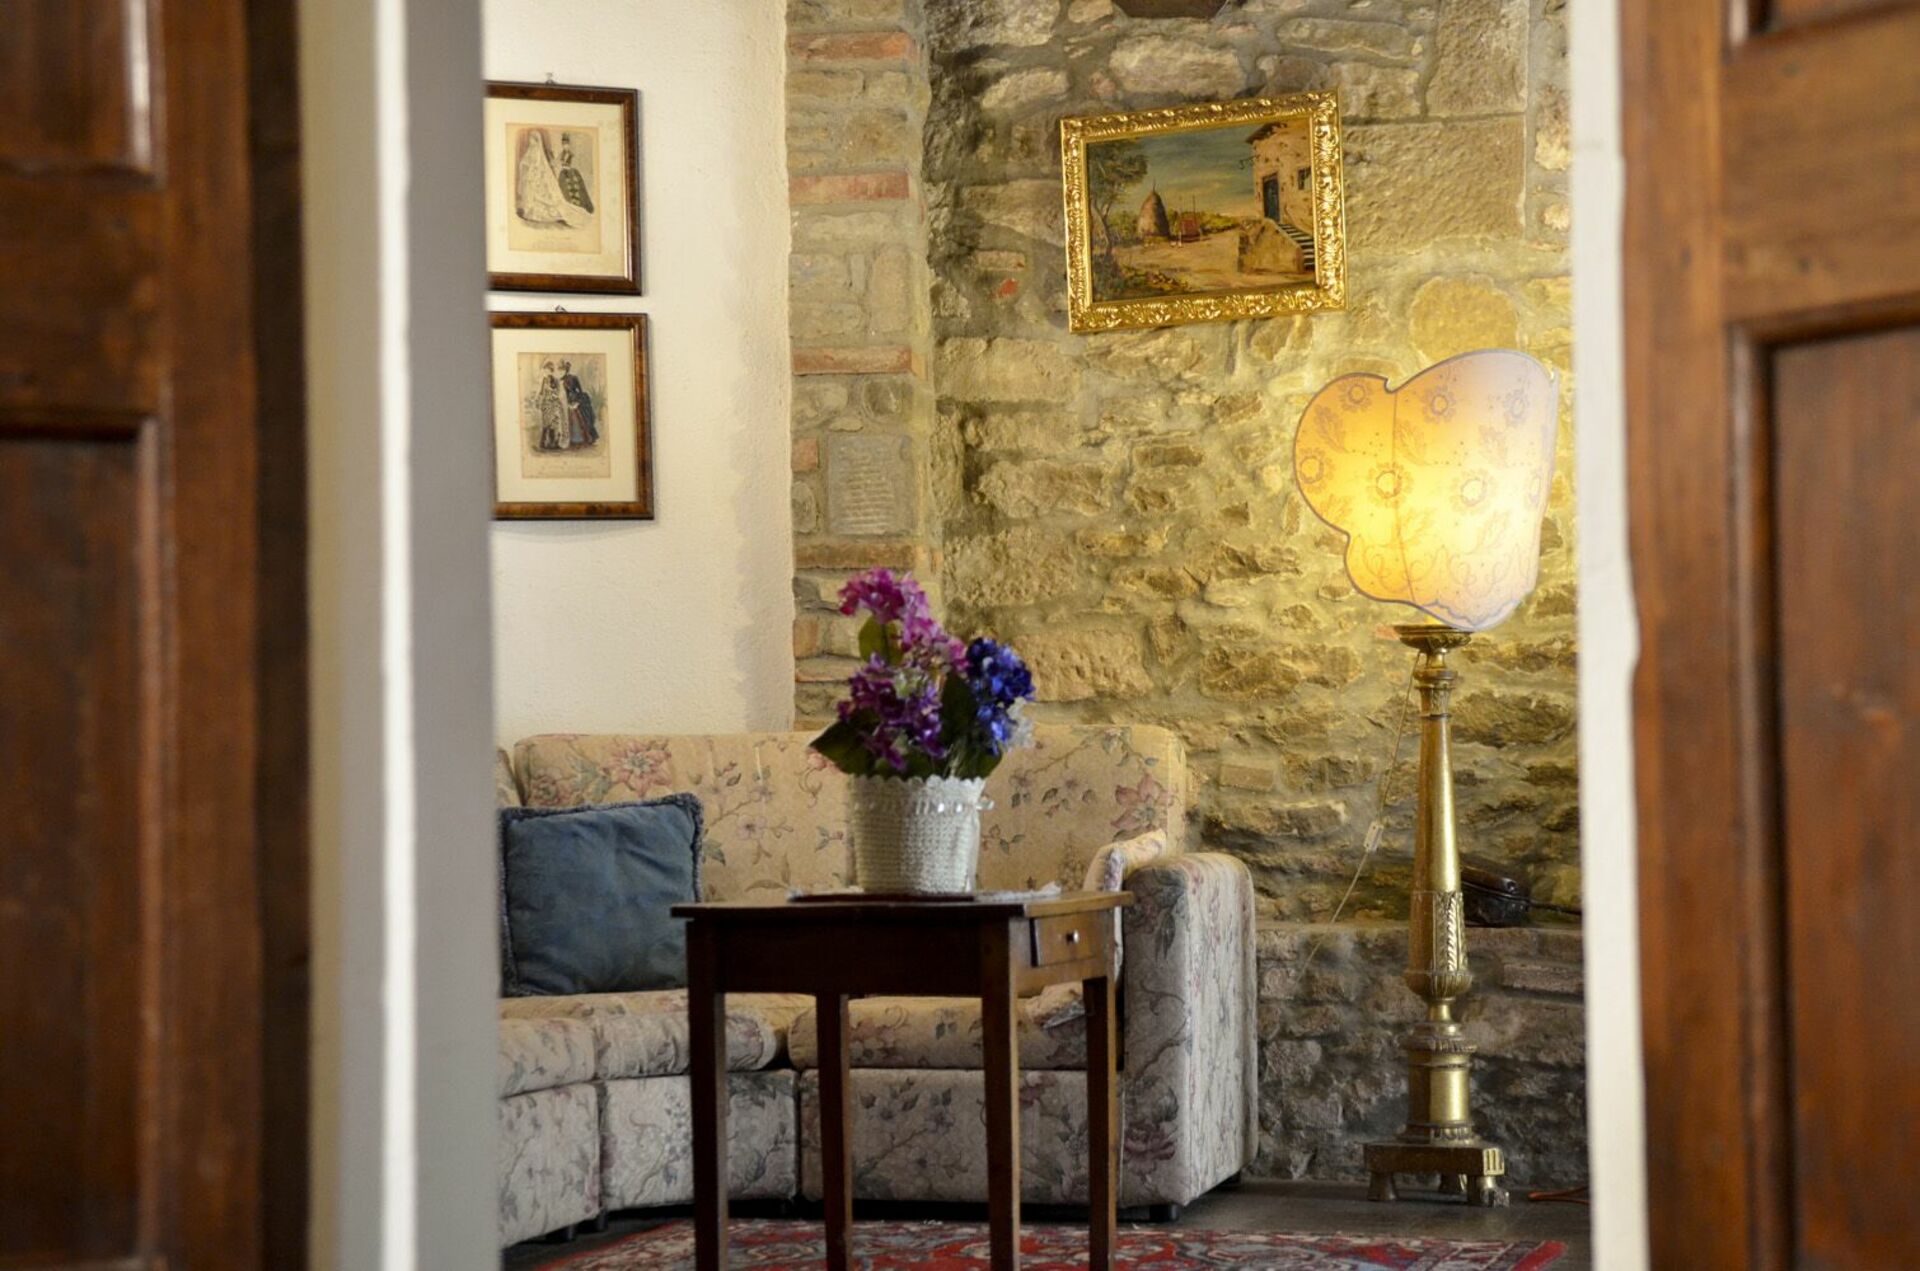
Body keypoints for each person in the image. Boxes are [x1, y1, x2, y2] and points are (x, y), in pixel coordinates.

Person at [560, 361, 599, 448]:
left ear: (568, 369)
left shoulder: (574, 378)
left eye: (566, 368)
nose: (565, 370)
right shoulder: (562, 380)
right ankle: (573, 440)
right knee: (571, 420)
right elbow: (565, 393)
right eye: (563, 369)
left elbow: (580, 390)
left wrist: (577, 401)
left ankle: (582, 439)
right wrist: (567, 402)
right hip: (568, 401)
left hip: (576, 398)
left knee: (579, 419)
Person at [556, 134, 594, 216]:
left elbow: (572, 164)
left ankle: (578, 205)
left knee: (575, 187)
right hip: (563, 172)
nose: (565, 146)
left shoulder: (571, 154)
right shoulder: (561, 154)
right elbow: (558, 161)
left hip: (571, 171)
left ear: (569, 145)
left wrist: (568, 168)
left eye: (566, 144)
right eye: (563, 144)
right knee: (563, 188)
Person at [533, 361, 565, 450]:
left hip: (553, 404)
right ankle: (543, 444)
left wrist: (551, 391)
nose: (545, 371)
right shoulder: (544, 380)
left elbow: (557, 393)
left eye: (547, 369)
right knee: (546, 424)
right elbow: (541, 392)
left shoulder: (556, 381)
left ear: (551, 370)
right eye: (545, 370)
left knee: (554, 424)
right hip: (546, 404)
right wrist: (538, 401)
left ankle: (553, 443)